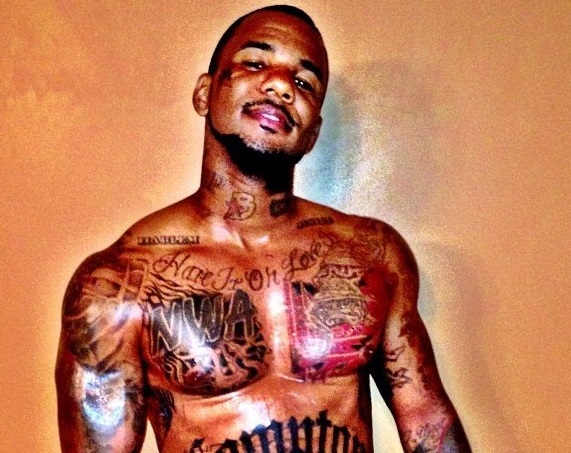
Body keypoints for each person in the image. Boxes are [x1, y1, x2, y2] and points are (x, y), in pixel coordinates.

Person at [55, 5, 471, 453]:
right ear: (204, 93)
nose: (281, 86)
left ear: (312, 133)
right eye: (255, 63)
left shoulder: (372, 254)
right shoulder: (118, 285)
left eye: (304, 83)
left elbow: (427, 419)